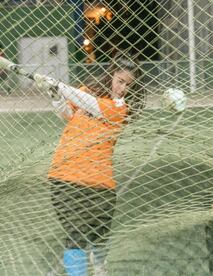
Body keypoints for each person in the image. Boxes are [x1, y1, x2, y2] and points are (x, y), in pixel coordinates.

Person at [34, 52, 146, 276]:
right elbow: (67, 113)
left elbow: (91, 104)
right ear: (110, 76)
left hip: (100, 184)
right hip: (64, 176)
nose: (122, 88)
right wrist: (56, 95)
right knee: (75, 235)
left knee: (99, 235)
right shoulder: (86, 92)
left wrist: (60, 85)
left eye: (128, 84)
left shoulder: (119, 108)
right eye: (120, 81)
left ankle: (100, 269)